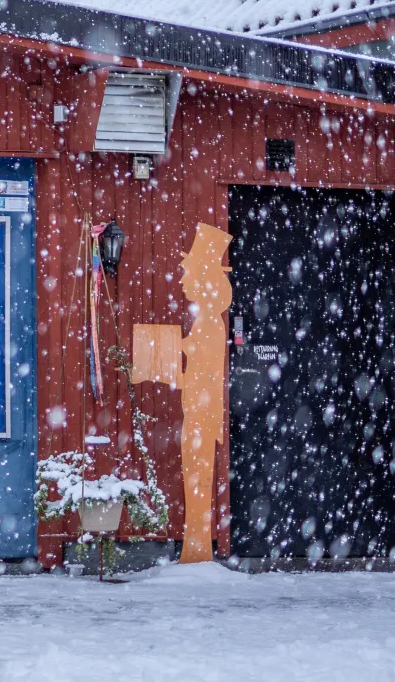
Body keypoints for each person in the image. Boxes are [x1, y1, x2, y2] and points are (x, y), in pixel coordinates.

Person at [176, 222, 232, 562]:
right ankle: (193, 547)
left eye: (187, 274)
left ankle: (196, 549)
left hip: (200, 417)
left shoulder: (210, 324)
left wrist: (172, 358)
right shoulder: (206, 323)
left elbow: (201, 375)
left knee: (197, 481)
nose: (182, 280)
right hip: (197, 415)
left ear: (203, 278)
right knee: (194, 481)